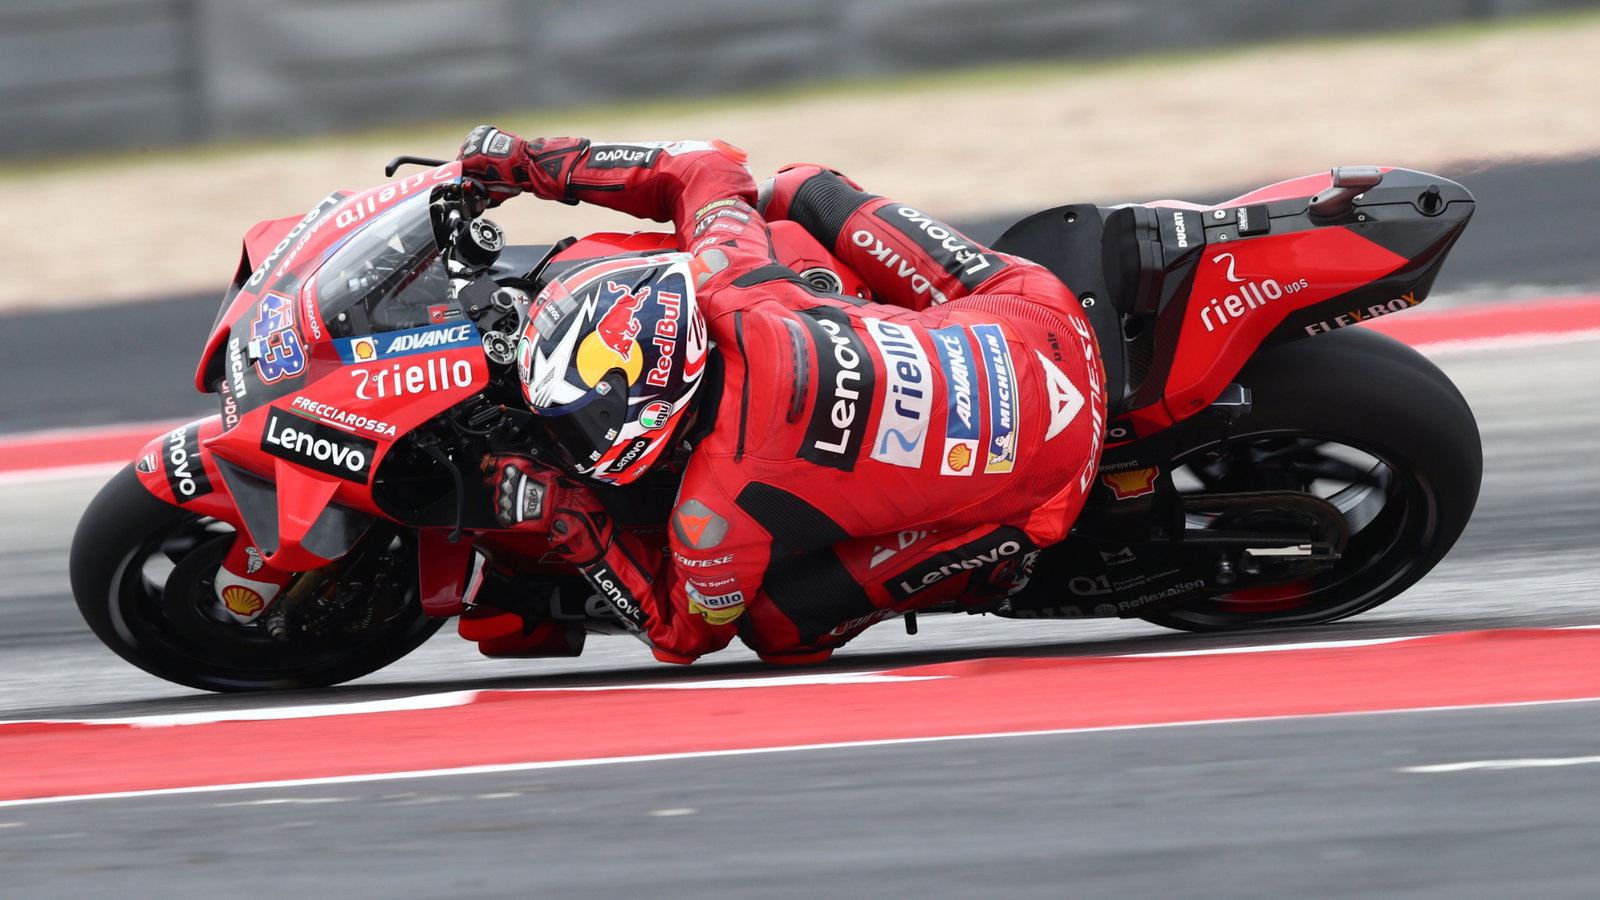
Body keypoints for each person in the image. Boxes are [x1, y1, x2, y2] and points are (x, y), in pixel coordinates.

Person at [456, 125, 1106, 665]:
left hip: (1048, 491)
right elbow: (700, 166)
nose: (573, 436)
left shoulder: (712, 516)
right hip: (1040, 317)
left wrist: (564, 510)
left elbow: (684, 635)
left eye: (584, 421)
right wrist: (525, 161)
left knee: (778, 630)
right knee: (798, 192)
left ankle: (981, 571)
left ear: (654, 412)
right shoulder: (729, 283)